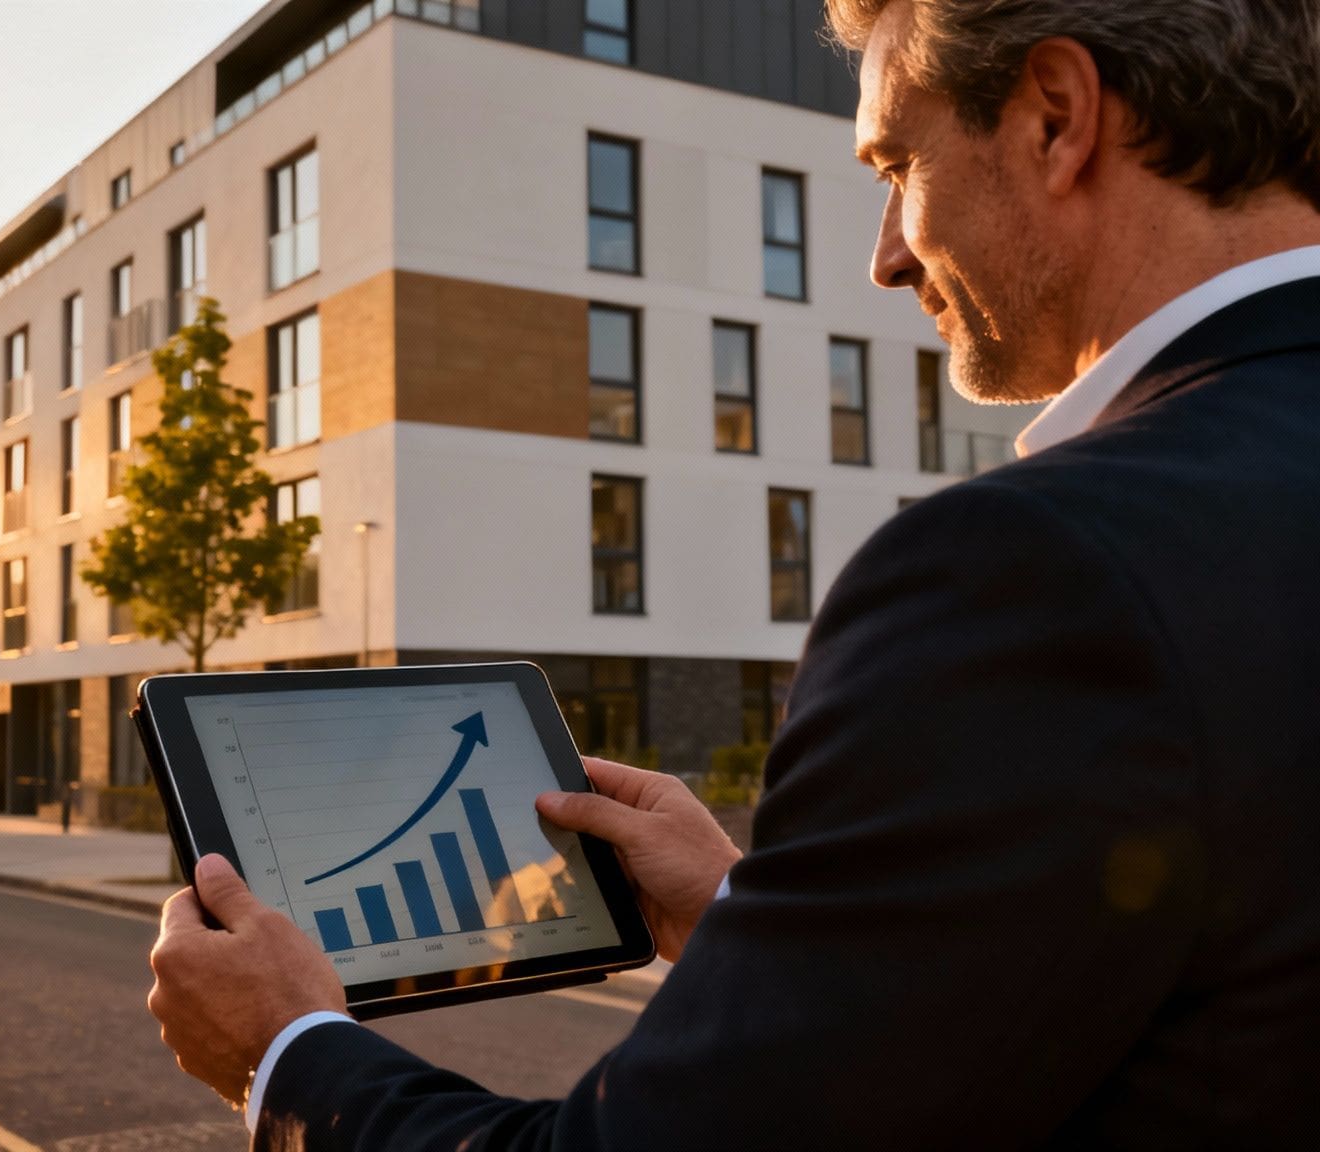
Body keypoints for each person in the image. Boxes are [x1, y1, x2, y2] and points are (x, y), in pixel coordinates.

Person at [147, 1, 1320, 1146]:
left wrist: (287, 1052)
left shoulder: (1030, 570)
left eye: (895, 165)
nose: (885, 257)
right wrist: (745, 918)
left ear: (1056, 117)